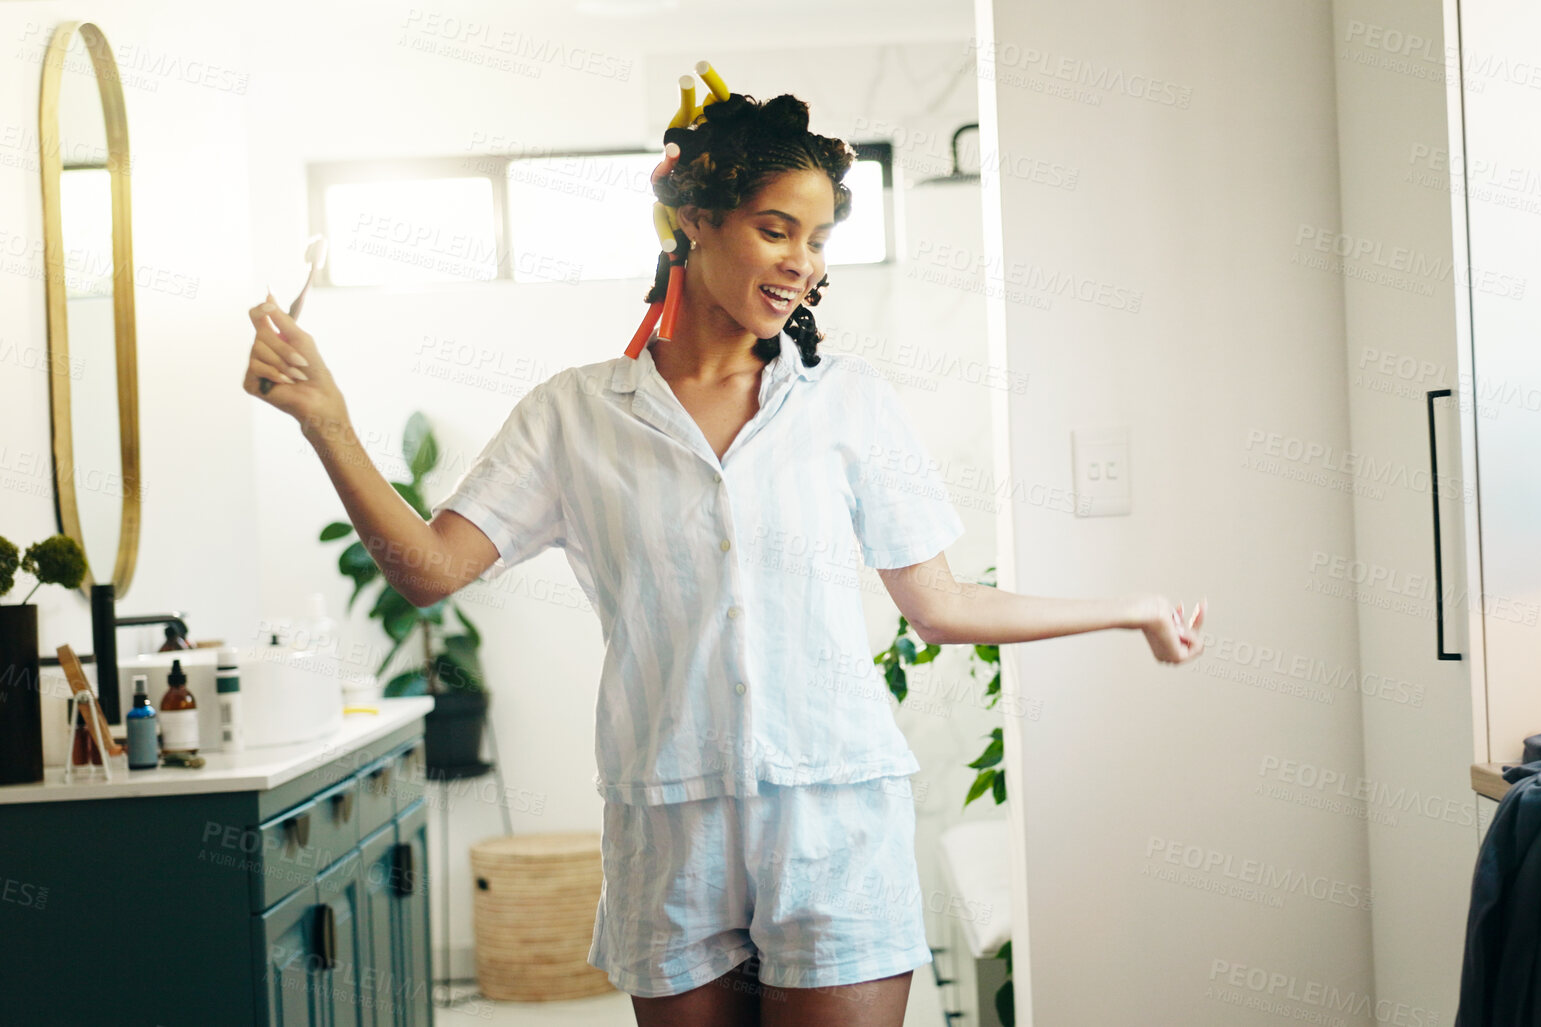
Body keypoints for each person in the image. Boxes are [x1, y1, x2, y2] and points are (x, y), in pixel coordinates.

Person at [242, 91, 1206, 1027]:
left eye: (818, 240)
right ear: (692, 219)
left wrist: (1130, 608)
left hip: (834, 816)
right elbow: (430, 569)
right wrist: (326, 422)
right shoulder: (574, 414)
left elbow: (943, 607)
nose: (801, 264)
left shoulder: (849, 401)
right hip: (671, 826)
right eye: (776, 229)